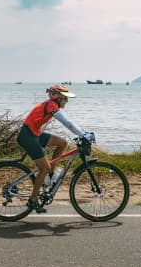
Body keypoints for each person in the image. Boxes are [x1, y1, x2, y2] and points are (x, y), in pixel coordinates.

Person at [16, 85, 94, 213]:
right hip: (27, 137)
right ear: (57, 98)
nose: (66, 102)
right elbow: (67, 122)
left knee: (62, 143)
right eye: (65, 99)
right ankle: (32, 200)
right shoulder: (51, 106)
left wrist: (82, 132)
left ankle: (50, 176)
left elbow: (69, 122)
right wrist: (82, 134)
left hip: (34, 134)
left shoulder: (52, 105)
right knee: (44, 168)